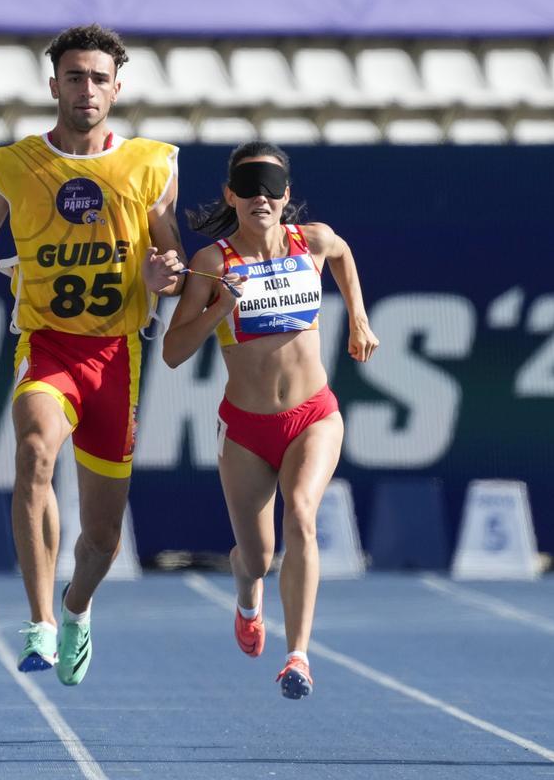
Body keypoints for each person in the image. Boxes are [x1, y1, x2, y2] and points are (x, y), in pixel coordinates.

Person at [0, 24, 185, 685]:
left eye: (100, 78)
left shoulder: (152, 165)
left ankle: (76, 605)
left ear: (117, 89)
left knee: (102, 541)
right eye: (75, 76)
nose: (87, 88)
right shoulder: (12, 165)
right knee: (34, 451)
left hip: (116, 358)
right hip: (47, 347)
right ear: (54, 85)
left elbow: (171, 257)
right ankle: (40, 619)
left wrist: (166, 277)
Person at [162, 142, 378, 698]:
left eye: (271, 187)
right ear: (230, 195)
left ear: (286, 196)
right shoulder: (213, 263)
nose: (261, 197)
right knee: (256, 556)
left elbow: (344, 255)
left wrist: (358, 318)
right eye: (248, 186)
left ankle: (299, 657)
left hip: (313, 416)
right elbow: (172, 351)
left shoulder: (313, 241)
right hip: (246, 429)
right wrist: (219, 308)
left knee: (302, 515)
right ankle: (246, 596)